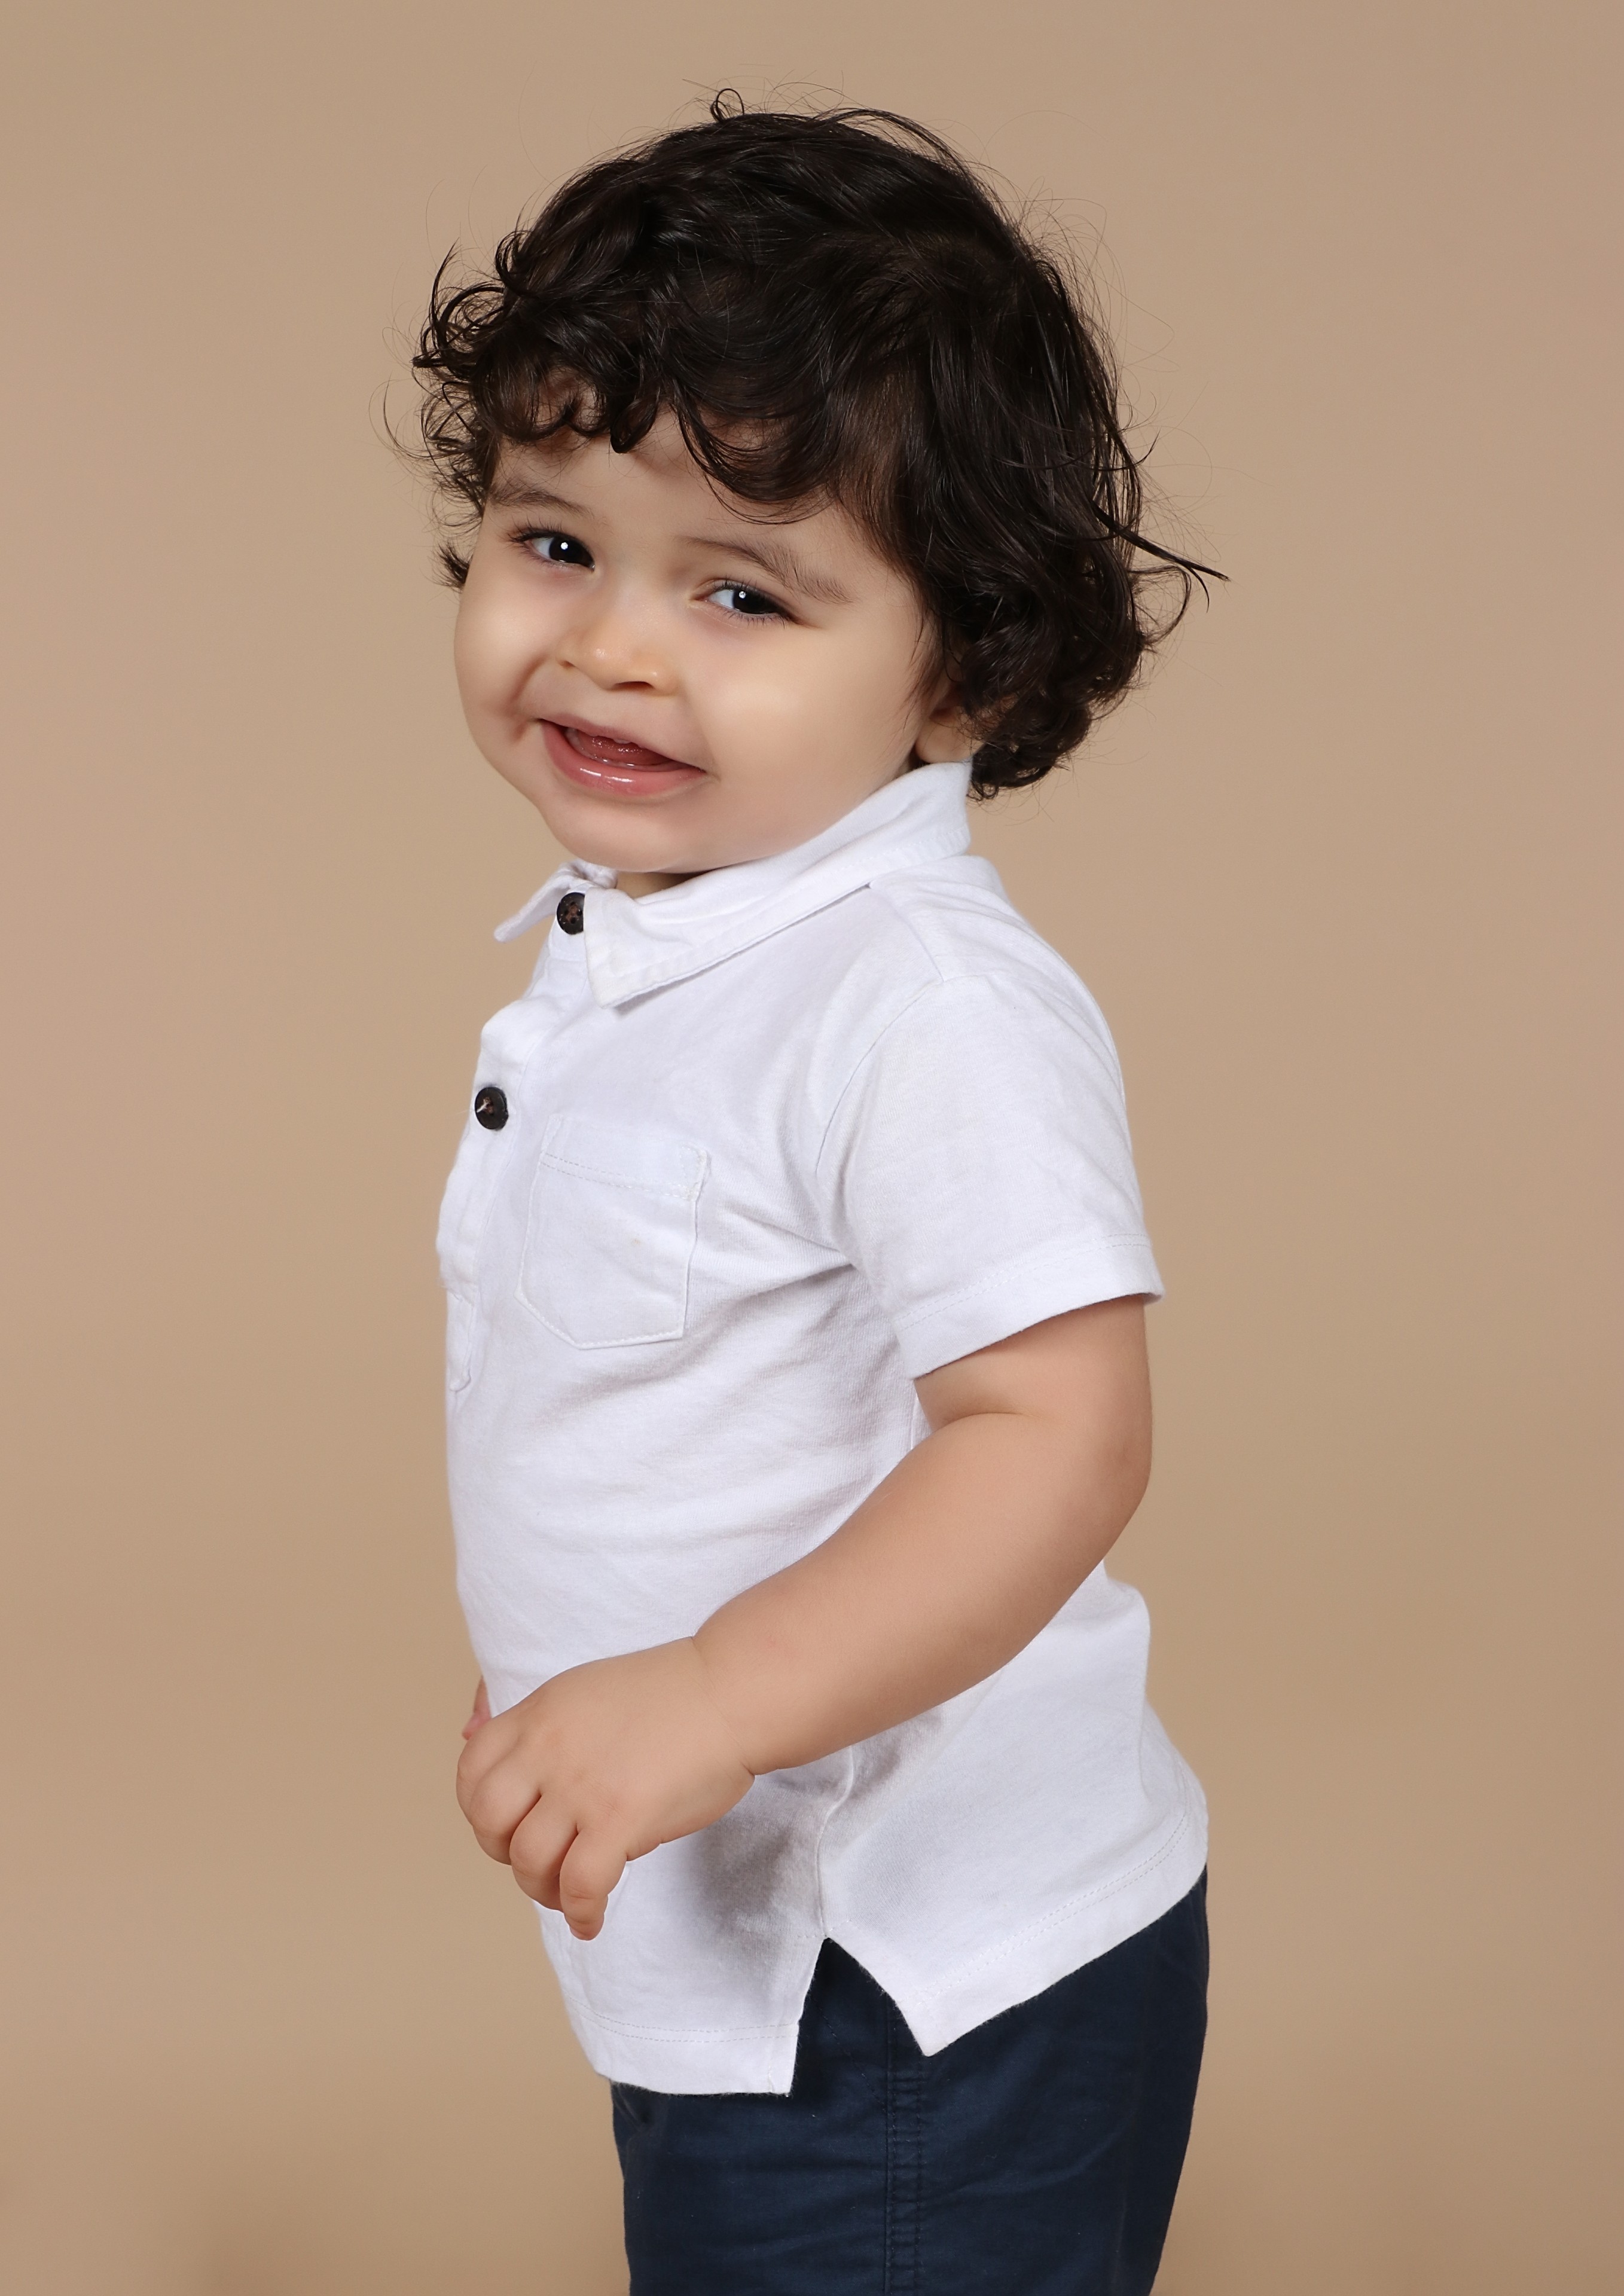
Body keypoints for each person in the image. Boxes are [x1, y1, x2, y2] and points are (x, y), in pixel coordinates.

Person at [416, 97, 1212, 2296]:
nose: (612, 647)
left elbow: (1053, 1433)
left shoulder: (913, 996)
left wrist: (707, 1694)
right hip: (728, 1940)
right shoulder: (668, 938)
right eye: (554, 541)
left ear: (967, 674)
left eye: (740, 591)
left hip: (912, 1988)